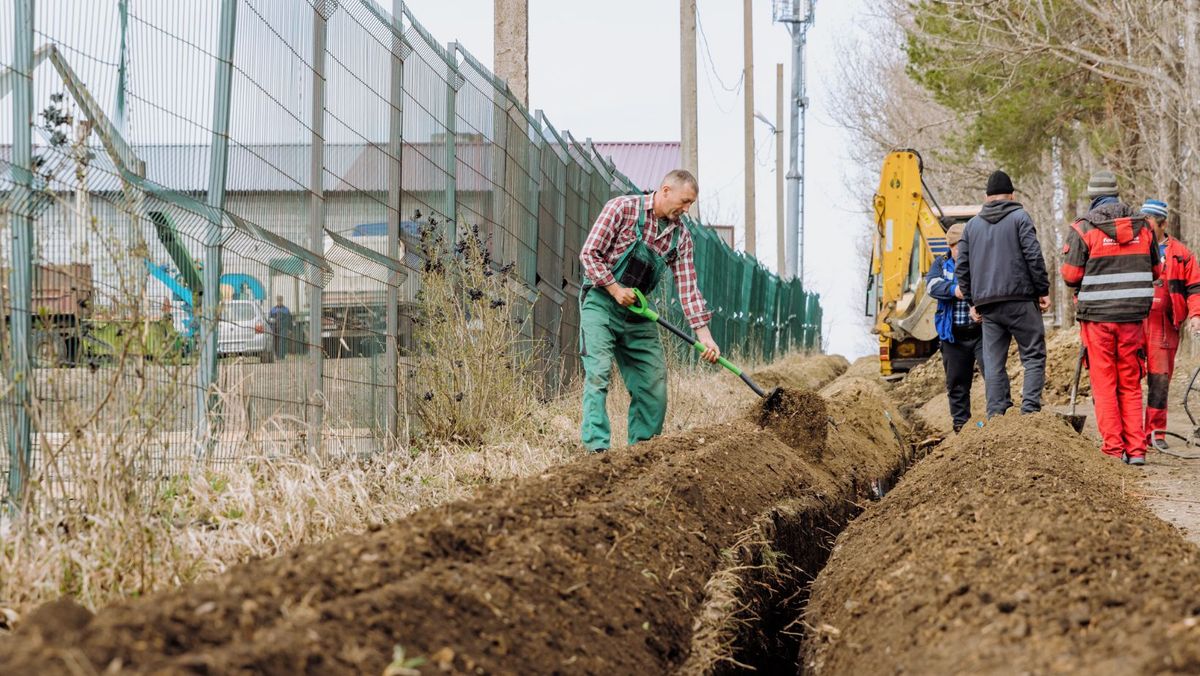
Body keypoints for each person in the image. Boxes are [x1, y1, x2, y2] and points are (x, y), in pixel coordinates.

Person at [578, 169, 719, 454]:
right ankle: (596, 452)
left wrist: (704, 336)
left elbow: (688, 288)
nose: (686, 209)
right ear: (665, 190)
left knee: (653, 384)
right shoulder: (621, 208)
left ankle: (641, 455)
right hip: (602, 303)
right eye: (684, 201)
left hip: (638, 312)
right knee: (598, 374)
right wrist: (615, 289)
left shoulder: (681, 238)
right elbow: (589, 254)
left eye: (690, 204)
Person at [1060, 171, 1160, 465]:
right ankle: (1137, 451)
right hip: (1132, 317)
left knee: (1104, 382)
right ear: (1117, 193)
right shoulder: (1144, 227)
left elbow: (1070, 275)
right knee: (1130, 381)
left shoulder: (1083, 228)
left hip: (1097, 319)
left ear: (1093, 196)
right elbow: (1156, 271)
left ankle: (1113, 450)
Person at [957, 170, 1051, 418]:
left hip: (988, 305)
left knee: (994, 362)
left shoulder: (971, 227)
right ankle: (1029, 411)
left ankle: (996, 415)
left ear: (986, 197)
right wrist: (1042, 290)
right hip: (1020, 300)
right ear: (1012, 195)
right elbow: (1033, 255)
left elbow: (962, 268)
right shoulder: (1020, 217)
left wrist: (971, 301)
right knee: (1033, 355)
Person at [1139, 199, 1200, 451]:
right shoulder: (1134, 249)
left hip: (1164, 327)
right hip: (1134, 321)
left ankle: (1154, 432)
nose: (1144, 227)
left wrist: (1196, 315)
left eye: (1149, 222)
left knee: (1160, 381)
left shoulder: (1181, 254)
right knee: (1129, 379)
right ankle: (1131, 435)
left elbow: (1195, 288)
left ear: (1162, 223)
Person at [925, 223, 985, 433]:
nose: (960, 251)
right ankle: (961, 425)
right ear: (950, 247)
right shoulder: (940, 264)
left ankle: (1000, 417)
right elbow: (931, 286)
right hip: (953, 336)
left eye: (964, 246)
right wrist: (953, 289)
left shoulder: (981, 262)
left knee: (993, 374)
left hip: (981, 333)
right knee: (957, 382)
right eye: (956, 247)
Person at [268, 296, 292, 360]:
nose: (279, 302)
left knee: (282, 341)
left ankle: (282, 356)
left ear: (282, 301)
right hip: (274, 328)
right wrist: (270, 327)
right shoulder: (273, 310)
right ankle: (277, 356)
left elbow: (290, 319)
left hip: (283, 328)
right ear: (277, 301)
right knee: (275, 342)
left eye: (280, 300)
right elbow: (269, 319)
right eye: (278, 300)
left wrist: (290, 329)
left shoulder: (286, 310)